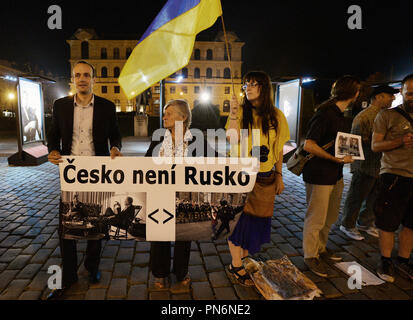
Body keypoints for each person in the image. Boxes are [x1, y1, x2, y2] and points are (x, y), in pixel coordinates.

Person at [46, 60, 122, 299]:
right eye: (77, 75)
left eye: (86, 75)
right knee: (65, 224)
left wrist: (116, 148)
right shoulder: (60, 106)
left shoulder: (107, 107)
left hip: (96, 170)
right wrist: (53, 151)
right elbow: (53, 135)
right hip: (70, 171)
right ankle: (68, 275)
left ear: (93, 79)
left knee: (96, 220)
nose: (81, 79)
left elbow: (116, 135)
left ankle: (92, 266)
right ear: (73, 79)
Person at [225, 71, 290, 286]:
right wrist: (234, 113)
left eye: (253, 84)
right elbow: (230, 138)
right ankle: (235, 265)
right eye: (246, 84)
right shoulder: (240, 112)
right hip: (238, 175)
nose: (248, 87)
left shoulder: (277, 116)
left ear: (265, 87)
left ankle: (243, 258)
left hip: (264, 177)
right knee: (237, 222)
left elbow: (278, 149)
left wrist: (279, 175)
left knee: (255, 222)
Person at [145, 99, 216, 293]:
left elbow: (217, 162)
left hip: (186, 196)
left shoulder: (197, 140)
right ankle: (160, 273)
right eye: (164, 113)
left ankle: (181, 272)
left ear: (183, 117)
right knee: (159, 234)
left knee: (184, 236)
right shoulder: (159, 138)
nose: (164, 116)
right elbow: (144, 165)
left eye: (169, 113)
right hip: (161, 193)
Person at [302, 75, 360, 277]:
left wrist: (345, 156)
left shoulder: (340, 115)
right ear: (355, 94)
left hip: (335, 174)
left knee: (330, 216)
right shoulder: (325, 113)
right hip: (319, 174)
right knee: (316, 217)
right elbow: (309, 144)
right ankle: (310, 256)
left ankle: (320, 249)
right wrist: (334, 159)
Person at [340, 85, 397, 240]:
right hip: (364, 166)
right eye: (389, 95)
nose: (393, 98)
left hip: (380, 165)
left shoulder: (386, 115)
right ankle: (347, 225)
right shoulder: (364, 116)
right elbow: (354, 142)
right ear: (378, 97)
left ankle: (365, 223)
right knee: (356, 197)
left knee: (374, 197)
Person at [372, 74, 413, 282]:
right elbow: (375, 146)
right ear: (403, 93)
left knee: (411, 223)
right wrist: (400, 141)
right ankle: (385, 260)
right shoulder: (387, 116)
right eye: (410, 93)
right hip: (394, 177)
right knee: (387, 222)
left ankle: (403, 260)